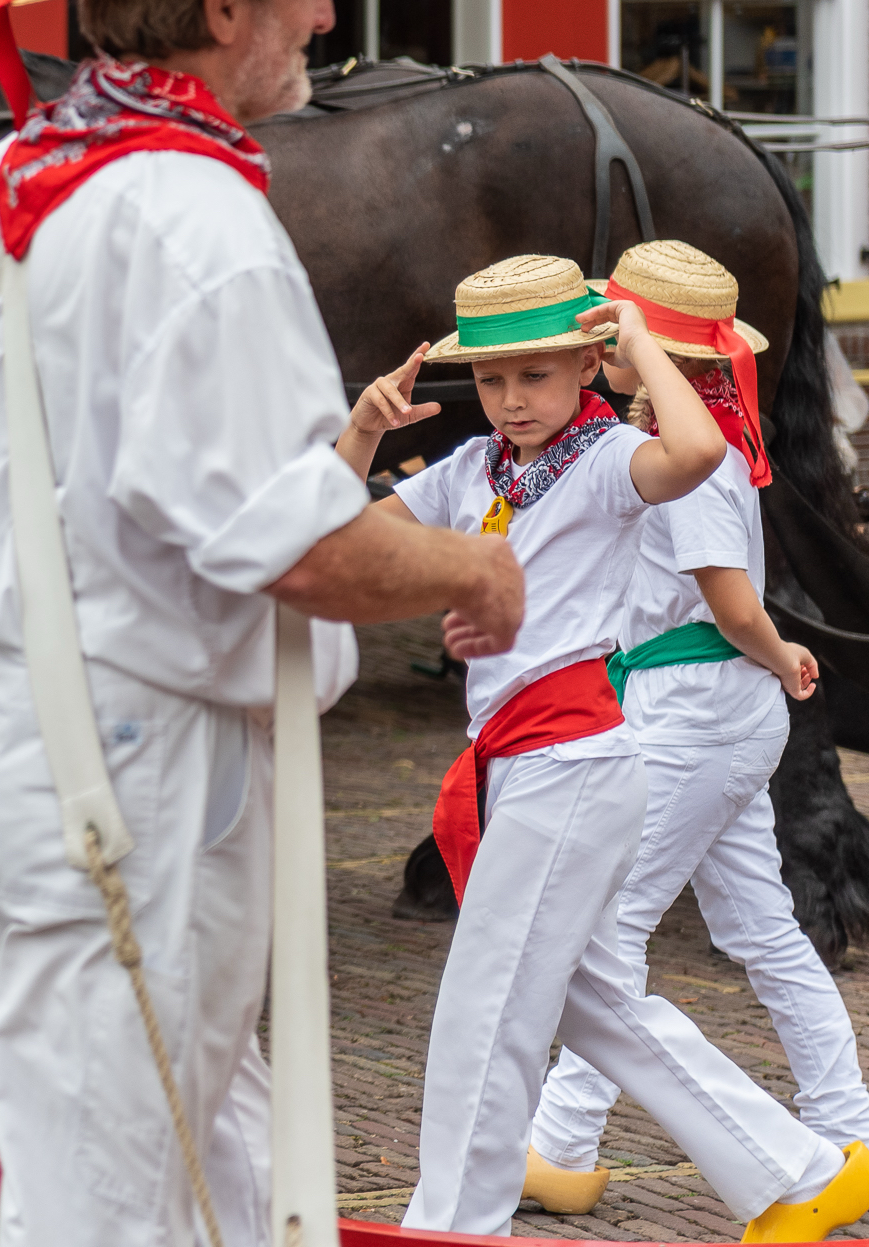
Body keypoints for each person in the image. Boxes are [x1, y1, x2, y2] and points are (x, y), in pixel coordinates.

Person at [0, 0, 526, 1243]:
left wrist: (45, 563)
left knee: (201, 1139)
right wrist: (472, 564)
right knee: (111, 1197)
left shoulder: (4, 177)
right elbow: (303, 545)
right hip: (125, 763)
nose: (324, 16)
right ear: (224, 5)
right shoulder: (197, 215)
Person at [338, 254, 869, 1239]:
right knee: (593, 1000)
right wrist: (365, 430)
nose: (510, 397)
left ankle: (452, 1224)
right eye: (490, 377)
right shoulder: (473, 468)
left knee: (486, 1006)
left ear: (588, 364)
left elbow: (694, 454)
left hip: (579, 756)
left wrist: (633, 339)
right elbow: (337, 540)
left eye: (534, 373)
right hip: (533, 758)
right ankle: (795, 1169)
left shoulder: (608, 456)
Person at [522, 242, 869, 1228]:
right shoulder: (695, 434)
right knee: (756, 928)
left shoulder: (698, 455)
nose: (600, 350)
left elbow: (729, 601)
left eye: (615, 336)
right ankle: (847, 1127)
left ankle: (561, 1143)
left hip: (694, 708)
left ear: (653, 350)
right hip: (699, 705)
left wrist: (778, 652)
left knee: (608, 928)